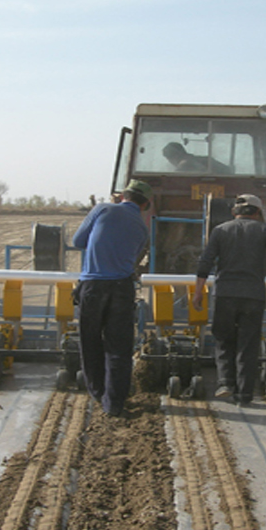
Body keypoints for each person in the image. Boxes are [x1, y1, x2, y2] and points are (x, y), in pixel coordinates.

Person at [191, 194, 266, 405]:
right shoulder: (265, 230)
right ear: (257, 212)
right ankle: (245, 394)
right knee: (249, 344)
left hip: (225, 294)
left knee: (224, 339)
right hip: (253, 296)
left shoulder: (220, 230)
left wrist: (198, 292)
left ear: (234, 212)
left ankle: (225, 383)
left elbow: (205, 263)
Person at [72, 179, 152, 417]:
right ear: (145, 204)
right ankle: (114, 403)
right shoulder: (142, 228)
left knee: (91, 340)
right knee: (119, 347)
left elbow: (78, 241)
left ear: (122, 195)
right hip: (121, 288)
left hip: (93, 287)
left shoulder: (102, 209)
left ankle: (97, 392)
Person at [163, 142, 232, 175]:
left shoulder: (184, 167)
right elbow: (229, 171)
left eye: (169, 159)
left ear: (174, 158)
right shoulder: (206, 160)